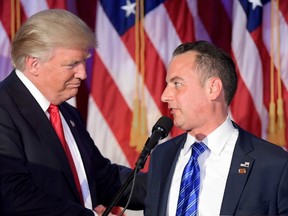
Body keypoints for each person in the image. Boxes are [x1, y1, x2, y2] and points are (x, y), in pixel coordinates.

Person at [0, 9, 145, 216]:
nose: (83, 73)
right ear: (34, 64)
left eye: (84, 61)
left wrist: (166, 184)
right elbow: (14, 196)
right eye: (73, 64)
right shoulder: (4, 110)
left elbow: (101, 177)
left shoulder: (67, 113)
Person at [144, 41, 288, 215]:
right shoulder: (162, 156)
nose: (164, 95)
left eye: (177, 84)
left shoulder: (274, 165)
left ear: (213, 88)